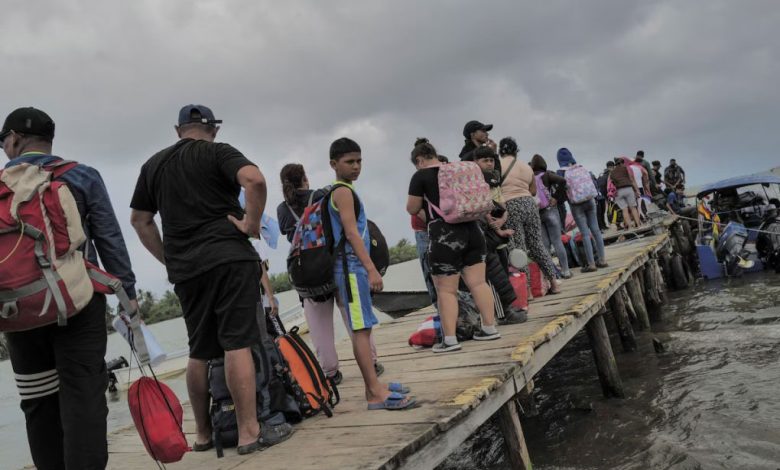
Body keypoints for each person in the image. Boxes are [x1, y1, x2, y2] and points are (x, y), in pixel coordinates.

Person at [130, 104, 293, 455]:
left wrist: (169, 257)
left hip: (187, 272)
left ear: (178, 130)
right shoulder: (218, 151)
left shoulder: (153, 165)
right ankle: (250, 432)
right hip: (228, 258)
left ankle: (204, 434)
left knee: (199, 350)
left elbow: (140, 220)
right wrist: (251, 223)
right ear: (214, 129)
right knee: (237, 343)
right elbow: (255, 180)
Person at [2, 106, 138, 469]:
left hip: (18, 312)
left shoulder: (2, 187)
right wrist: (129, 295)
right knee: (83, 398)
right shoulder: (81, 175)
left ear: (14, 139)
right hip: (78, 302)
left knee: (38, 403)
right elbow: (110, 239)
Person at [326, 137, 415, 410]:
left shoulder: (344, 191)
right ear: (334, 164)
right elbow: (351, 233)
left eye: (359, 161)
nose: (356, 167)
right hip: (351, 269)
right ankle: (374, 393)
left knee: (362, 328)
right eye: (349, 162)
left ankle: (374, 387)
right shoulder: (342, 192)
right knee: (361, 331)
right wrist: (371, 268)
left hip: (352, 268)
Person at [275, 163, 382, 385]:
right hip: (335, 264)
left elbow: (291, 238)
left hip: (307, 271)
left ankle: (330, 372)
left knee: (318, 324)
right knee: (353, 316)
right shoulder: (323, 194)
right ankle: (371, 362)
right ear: (305, 178)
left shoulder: (282, 209)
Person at [407, 139, 501, 353]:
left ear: (419, 160)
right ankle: (489, 327)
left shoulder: (420, 175)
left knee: (446, 290)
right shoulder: (455, 169)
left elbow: (412, 207)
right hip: (473, 230)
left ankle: (449, 340)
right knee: (478, 283)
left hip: (445, 235)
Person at [472, 146, 528, 324]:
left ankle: (507, 309)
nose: (489, 163)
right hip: (487, 231)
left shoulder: (494, 179)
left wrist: (502, 221)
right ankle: (503, 314)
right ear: (475, 163)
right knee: (493, 274)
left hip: (497, 229)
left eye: (491, 160)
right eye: (484, 160)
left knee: (502, 270)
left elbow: (502, 205)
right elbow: (484, 207)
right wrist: (497, 227)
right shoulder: (476, 181)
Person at [500, 138, 561, 293]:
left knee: (519, 248)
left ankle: (526, 291)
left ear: (501, 151)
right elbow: (533, 191)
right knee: (537, 244)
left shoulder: (498, 165)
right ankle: (554, 282)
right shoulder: (526, 167)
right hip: (529, 204)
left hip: (510, 205)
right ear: (516, 151)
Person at [557, 148, 608, 273]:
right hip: (590, 200)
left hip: (576, 204)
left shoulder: (561, 172)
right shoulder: (580, 167)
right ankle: (602, 260)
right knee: (596, 230)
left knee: (585, 233)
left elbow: (561, 189)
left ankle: (591, 264)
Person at [530, 154, 573, 278]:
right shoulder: (547, 175)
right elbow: (562, 181)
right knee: (557, 241)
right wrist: (555, 197)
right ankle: (565, 270)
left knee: (545, 245)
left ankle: (552, 275)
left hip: (538, 212)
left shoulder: (530, 178)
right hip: (550, 210)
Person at [609, 157, 643, 229]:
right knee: (633, 208)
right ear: (622, 162)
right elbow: (632, 180)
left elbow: (611, 183)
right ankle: (639, 225)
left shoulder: (612, 173)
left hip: (618, 191)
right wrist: (636, 190)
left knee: (624, 209)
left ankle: (630, 227)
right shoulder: (625, 169)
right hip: (628, 189)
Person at [596, 160, 615, 231]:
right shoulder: (611, 174)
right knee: (613, 208)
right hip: (610, 193)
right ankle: (613, 222)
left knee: (607, 210)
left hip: (602, 195)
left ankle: (607, 224)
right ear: (612, 166)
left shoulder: (602, 174)